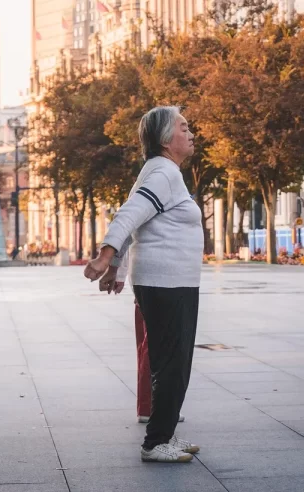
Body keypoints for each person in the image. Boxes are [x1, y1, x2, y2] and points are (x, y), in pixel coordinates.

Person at [85, 106, 203, 463]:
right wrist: (106, 258)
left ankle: (165, 434)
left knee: (173, 361)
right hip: (167, 284)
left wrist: (117, 265)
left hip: (172, 281)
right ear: (167, 140)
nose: (191, 133)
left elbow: (137, 221)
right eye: (184, 128)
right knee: (172, 363)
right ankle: (155, 443)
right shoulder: (163, 173)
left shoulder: (161, 171)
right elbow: (129, 214)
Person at [99, 255, 186, 425]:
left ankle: (149, 407)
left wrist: (119, 274)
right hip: (157, 285)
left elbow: (127, 239)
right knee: (154, 349)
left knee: (147, 347)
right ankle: (151, 408)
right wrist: (117, 273)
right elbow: (125, 236)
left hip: (148, 284)